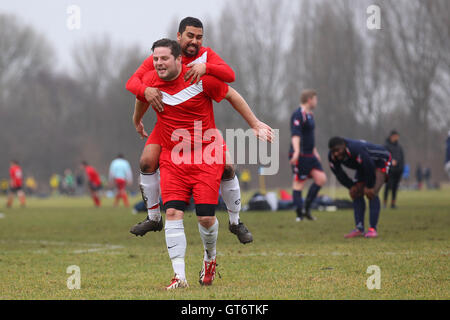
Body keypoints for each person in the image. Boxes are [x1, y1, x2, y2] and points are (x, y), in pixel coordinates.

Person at [128, 39, 273, 289]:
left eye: (164, 59)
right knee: (172, 213)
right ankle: (179, 277)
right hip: (173, 159)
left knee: (205, 219)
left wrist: (255, 124)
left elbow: (231, 93)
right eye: (156, 59)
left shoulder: (199, 77)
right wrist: (137, 119)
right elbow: (138, 91)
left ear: (178, 59)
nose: (159, 64)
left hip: (205, 156)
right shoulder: (151, 80)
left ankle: (210, 258)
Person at [126, 17, 252, 244]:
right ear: (178, 37)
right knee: (146, 162)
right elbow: (135, 84)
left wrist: (207, 67)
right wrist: (140, 110)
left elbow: (230, 77)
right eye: (190, 36)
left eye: (199, 37)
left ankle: (236, 222)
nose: (194, 41)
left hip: (200, 128)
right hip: (169, 126)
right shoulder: (162, 58)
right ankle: (154, 218)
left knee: (227, 167)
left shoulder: (206, 56)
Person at [328, 137, 391, 238]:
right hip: (362, 165)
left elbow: (370, 166)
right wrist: (351, 186)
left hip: (381, 160)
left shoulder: (355, 149)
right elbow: (339, 173)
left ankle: (372, 229)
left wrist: (369, 186)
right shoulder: (332, 156)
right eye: (333, 151)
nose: (336, 153)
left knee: (371, 193)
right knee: (355, 193)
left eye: (338, 150)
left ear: (344, 146)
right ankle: (359, 228)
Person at [289, 90, 327, 221]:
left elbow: (309, 136)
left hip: (311, 154)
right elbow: (295, 135)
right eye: (315, 99)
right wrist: (296, 152)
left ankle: (306, 208)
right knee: (299, 184)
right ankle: (299, 214)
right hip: (301, 155)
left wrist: (315, 151)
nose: (316, 102)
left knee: (321, 179)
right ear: (309, 99)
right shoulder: (298, 114)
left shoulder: (310, 115)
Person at [383, 130, 404, 209]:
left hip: (397, 171)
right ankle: (384, 203)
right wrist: (391, 162)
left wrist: (401, 169)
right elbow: (384, 157)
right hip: (389, 171)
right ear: (391, 136)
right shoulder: (386, 146)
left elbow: (402, 159)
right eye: (395, 136)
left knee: (395, 188)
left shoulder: (399, 147)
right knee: (388, 187)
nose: (397, 138)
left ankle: (393, 204)